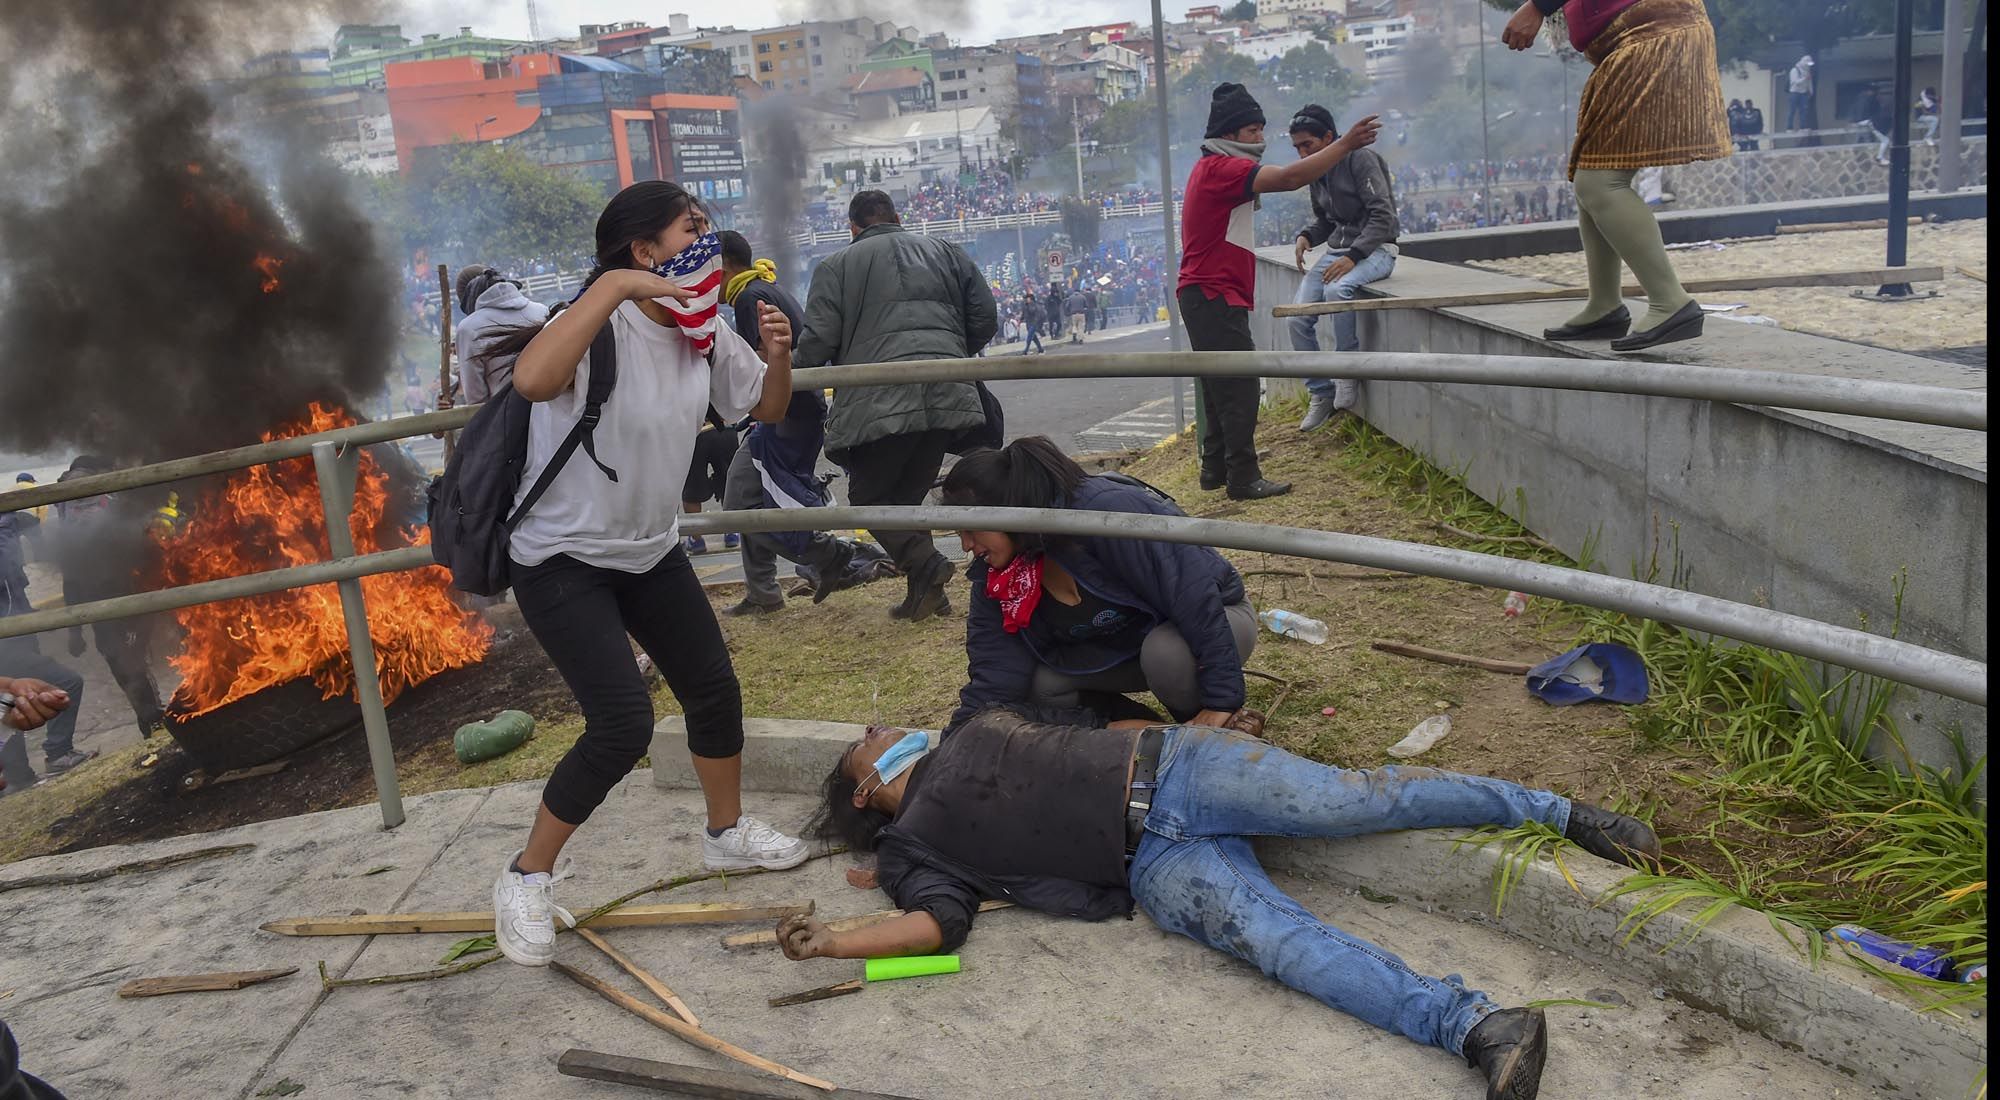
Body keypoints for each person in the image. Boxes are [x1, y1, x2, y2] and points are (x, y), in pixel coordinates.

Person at [780, 707, 1664, 1100]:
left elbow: (1095, 723)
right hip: (1152, 869)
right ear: (864, 792)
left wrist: (1206, 726)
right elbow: (937, 929)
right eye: (865, 745)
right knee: (1283, 946)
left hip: (1185, 770)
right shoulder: (912, 849)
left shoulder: (971, 723)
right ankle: (1482, 1029)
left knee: (1363, 800)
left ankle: (1557, 812)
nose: (877, 731)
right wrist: (835, 942)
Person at [475, 180, 811, 968]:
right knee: (622, 722)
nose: (707, 236)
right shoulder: (597, 321)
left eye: (707, 224)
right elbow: (531, 381)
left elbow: (763, 409)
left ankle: (725, 834)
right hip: (561, 556)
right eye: (689, 228)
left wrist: (780, 360)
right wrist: (617, 287)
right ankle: (526, 877)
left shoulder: (700, 328)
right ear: (643, 250)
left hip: (648, 548)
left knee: (713, 688)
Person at [941, 437, 1259, 734]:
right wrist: (961, 735)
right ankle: (1149, 732)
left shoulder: (1103, 512)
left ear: (1007, 512)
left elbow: (1193, 597)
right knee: (1040, 684)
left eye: (972, 530)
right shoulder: (998, 576)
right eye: (959, 535)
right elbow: (994, 668)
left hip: (1213, 619)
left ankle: (1217, 728)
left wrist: (1221, 699)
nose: (966, 545)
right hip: (1121, 647)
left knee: (1166, 655)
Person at [795, 190, 998, 623]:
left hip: (878, 397)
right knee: (906, 496)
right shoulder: (948, 252)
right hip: (946, 390)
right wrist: (950, 356)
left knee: (869, 498)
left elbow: (817, 342)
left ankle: (927, 566)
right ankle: (928, 596)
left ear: (853, 227)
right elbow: (984, 318)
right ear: (897, 218)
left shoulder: (835, 266)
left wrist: (786, 369)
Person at [1177, 82, 1380, 500]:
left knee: (1219, 387)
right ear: (1231, 135)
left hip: (1208, 292)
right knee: (1239, 386)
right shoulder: (1222, 169)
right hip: (1213, 293)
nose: (1261, 140)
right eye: (1253, 131)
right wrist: (1345, 144)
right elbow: (1289, 178)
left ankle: (1215, 470)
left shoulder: (1212, 168)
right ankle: (1243, 478)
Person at [1503, 0, 1730, 352]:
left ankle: (1670, 301)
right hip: (1637, 38)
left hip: (1652, 33)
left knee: (1600, 181)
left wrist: (1539, 6)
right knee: (1590, 179)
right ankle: (1605, 304)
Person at [714, 229, 892, 616]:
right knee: (748, 500)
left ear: (724, 266)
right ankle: (764, 590)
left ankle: (828, 555)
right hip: (797, 413)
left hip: (784, 417)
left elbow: (759, 367)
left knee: (740, 504)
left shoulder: (749, 299)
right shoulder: (764, 288)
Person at [1286, 104, 1401, 432]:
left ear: (1328, 137)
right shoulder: (1315, 170)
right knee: (1297, 319)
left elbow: (1384, 216)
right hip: (1337, 251)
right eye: (1297, 148)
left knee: (1338, 290)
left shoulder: (1360, 160)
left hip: (1376, 249)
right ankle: (1321, 392)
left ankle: (1346, 371)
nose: (1302, 153)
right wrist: (1307, 236)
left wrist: (1354, 255)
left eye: (1307, 145)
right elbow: (1326, 220)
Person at [54, 458, 166, 738]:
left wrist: (75, 631)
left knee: (123, 660)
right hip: (117, 591)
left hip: (102, 596)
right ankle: (153, 721)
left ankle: (151, 720)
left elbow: (70, 573)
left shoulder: (67, 505)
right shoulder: (105, 496)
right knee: (130, 660)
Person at [452, 266, 550, 403]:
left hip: (506, 417)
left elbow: (476, 397)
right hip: (549, 408)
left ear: (466, 297)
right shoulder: (542, 311)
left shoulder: (468, 328)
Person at [679, 409, 740, 557]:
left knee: (692, 488)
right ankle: (731, 530)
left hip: (695, 430)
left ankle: (696, 539)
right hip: (725, 426)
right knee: (728, 481)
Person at [1786, 53, 1815, 134]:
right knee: (1792, 110)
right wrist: (1805, 78)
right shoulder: (1794, 70)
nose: (1808, 66)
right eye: (1807, 64)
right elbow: (1795, 82)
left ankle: (1803, 126)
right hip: (1794, 93)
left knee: (1804, 111)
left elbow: (1810, 82)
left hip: (1804, 93)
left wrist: (1811, 91)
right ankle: (1789, 127)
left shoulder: (1807, 71)